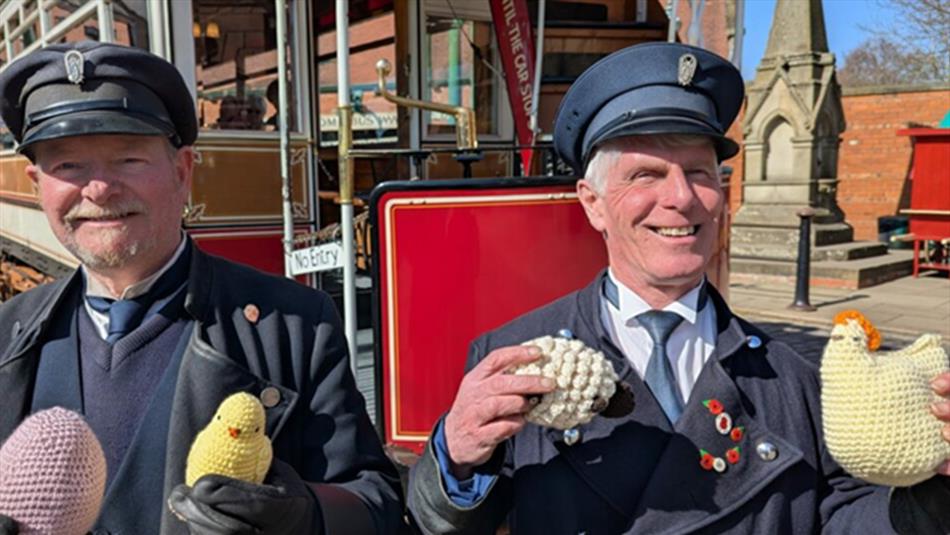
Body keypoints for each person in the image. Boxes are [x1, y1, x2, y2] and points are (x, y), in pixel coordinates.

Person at [407, 42, 950, 534]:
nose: (682, 198)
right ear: (593, 204)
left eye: (698, 172)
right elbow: (441, 525)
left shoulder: (796, 378)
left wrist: (940, 488)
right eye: (646, 174)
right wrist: (455, 455)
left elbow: (846, 518)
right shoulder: (514, 358)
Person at [0, 41, 402, 534]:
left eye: (129, 159)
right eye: (68, 166)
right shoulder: (7, 334)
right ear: (36, 182)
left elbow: (377, 502)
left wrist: (306, 514)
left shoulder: (296, 325)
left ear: (182, 171)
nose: (99, 189)